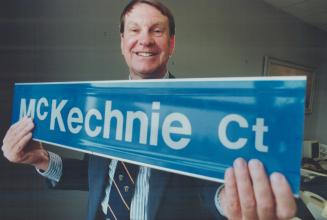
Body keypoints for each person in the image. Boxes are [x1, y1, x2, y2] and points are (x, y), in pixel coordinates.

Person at [2, 0, 297, 219]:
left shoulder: (199, 111)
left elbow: (206, 189)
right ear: (122, 43)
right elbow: (93, 176)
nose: (144, 39)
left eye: (156, 31)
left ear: (170, 44)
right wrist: (40, 159)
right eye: (134, 30)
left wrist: (229, 201)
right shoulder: (101, 107)